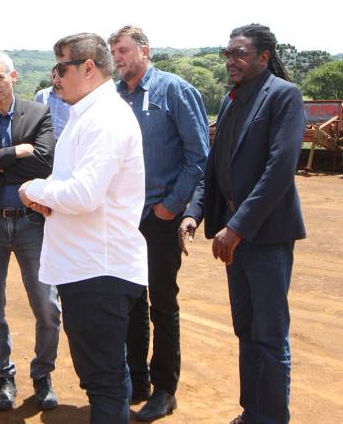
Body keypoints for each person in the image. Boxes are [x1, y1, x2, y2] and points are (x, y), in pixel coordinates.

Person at [19, 32, 147, 424]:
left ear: (88, 68)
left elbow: (86, 192)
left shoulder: (104, 118)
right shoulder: (90, 114)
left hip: (98, 271)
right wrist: (52, 196)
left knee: (103, 384)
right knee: (109, 377)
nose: (54, 77)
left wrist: (33, 189)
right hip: (91, 267)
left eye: (61, 67)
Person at [181, 24, 306, 424]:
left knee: (269, 336)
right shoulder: (233, 100)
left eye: (240, 53)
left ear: (264, 56)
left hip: (265, 235)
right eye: (228, 53)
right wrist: (193, 213)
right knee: (246, 328)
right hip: (235, 234)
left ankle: (271, 419)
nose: (232, 60)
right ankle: (252, 413)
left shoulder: (283, 97)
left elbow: (279, 171)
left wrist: (237, 227)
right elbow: (214, 166)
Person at [109, 25, 210, 421]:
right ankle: (137, 381)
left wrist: (171, 208)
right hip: (123, 220)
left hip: (158, 217)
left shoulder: (175, 91)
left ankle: (165, 389)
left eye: (123, 50)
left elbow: (199, 155)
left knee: (162, 304)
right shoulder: (114, 98)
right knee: (130, 300)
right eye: (113, 51)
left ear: (144, 52)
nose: (117, 57)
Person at [0, 51, 61, 411]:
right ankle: (3, 375)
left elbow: (45, 162)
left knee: (48, 307)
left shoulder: (39, 113)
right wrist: (16, 152)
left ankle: (42, 374)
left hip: (32, 221)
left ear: (13, 76)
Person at [33, 66, 70, 138]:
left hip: (65, 141)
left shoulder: (72, 98)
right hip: (44, 140)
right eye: (55, 76)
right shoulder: (41, 95)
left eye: (61, 76)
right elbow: (34, 119)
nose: (58, 79)